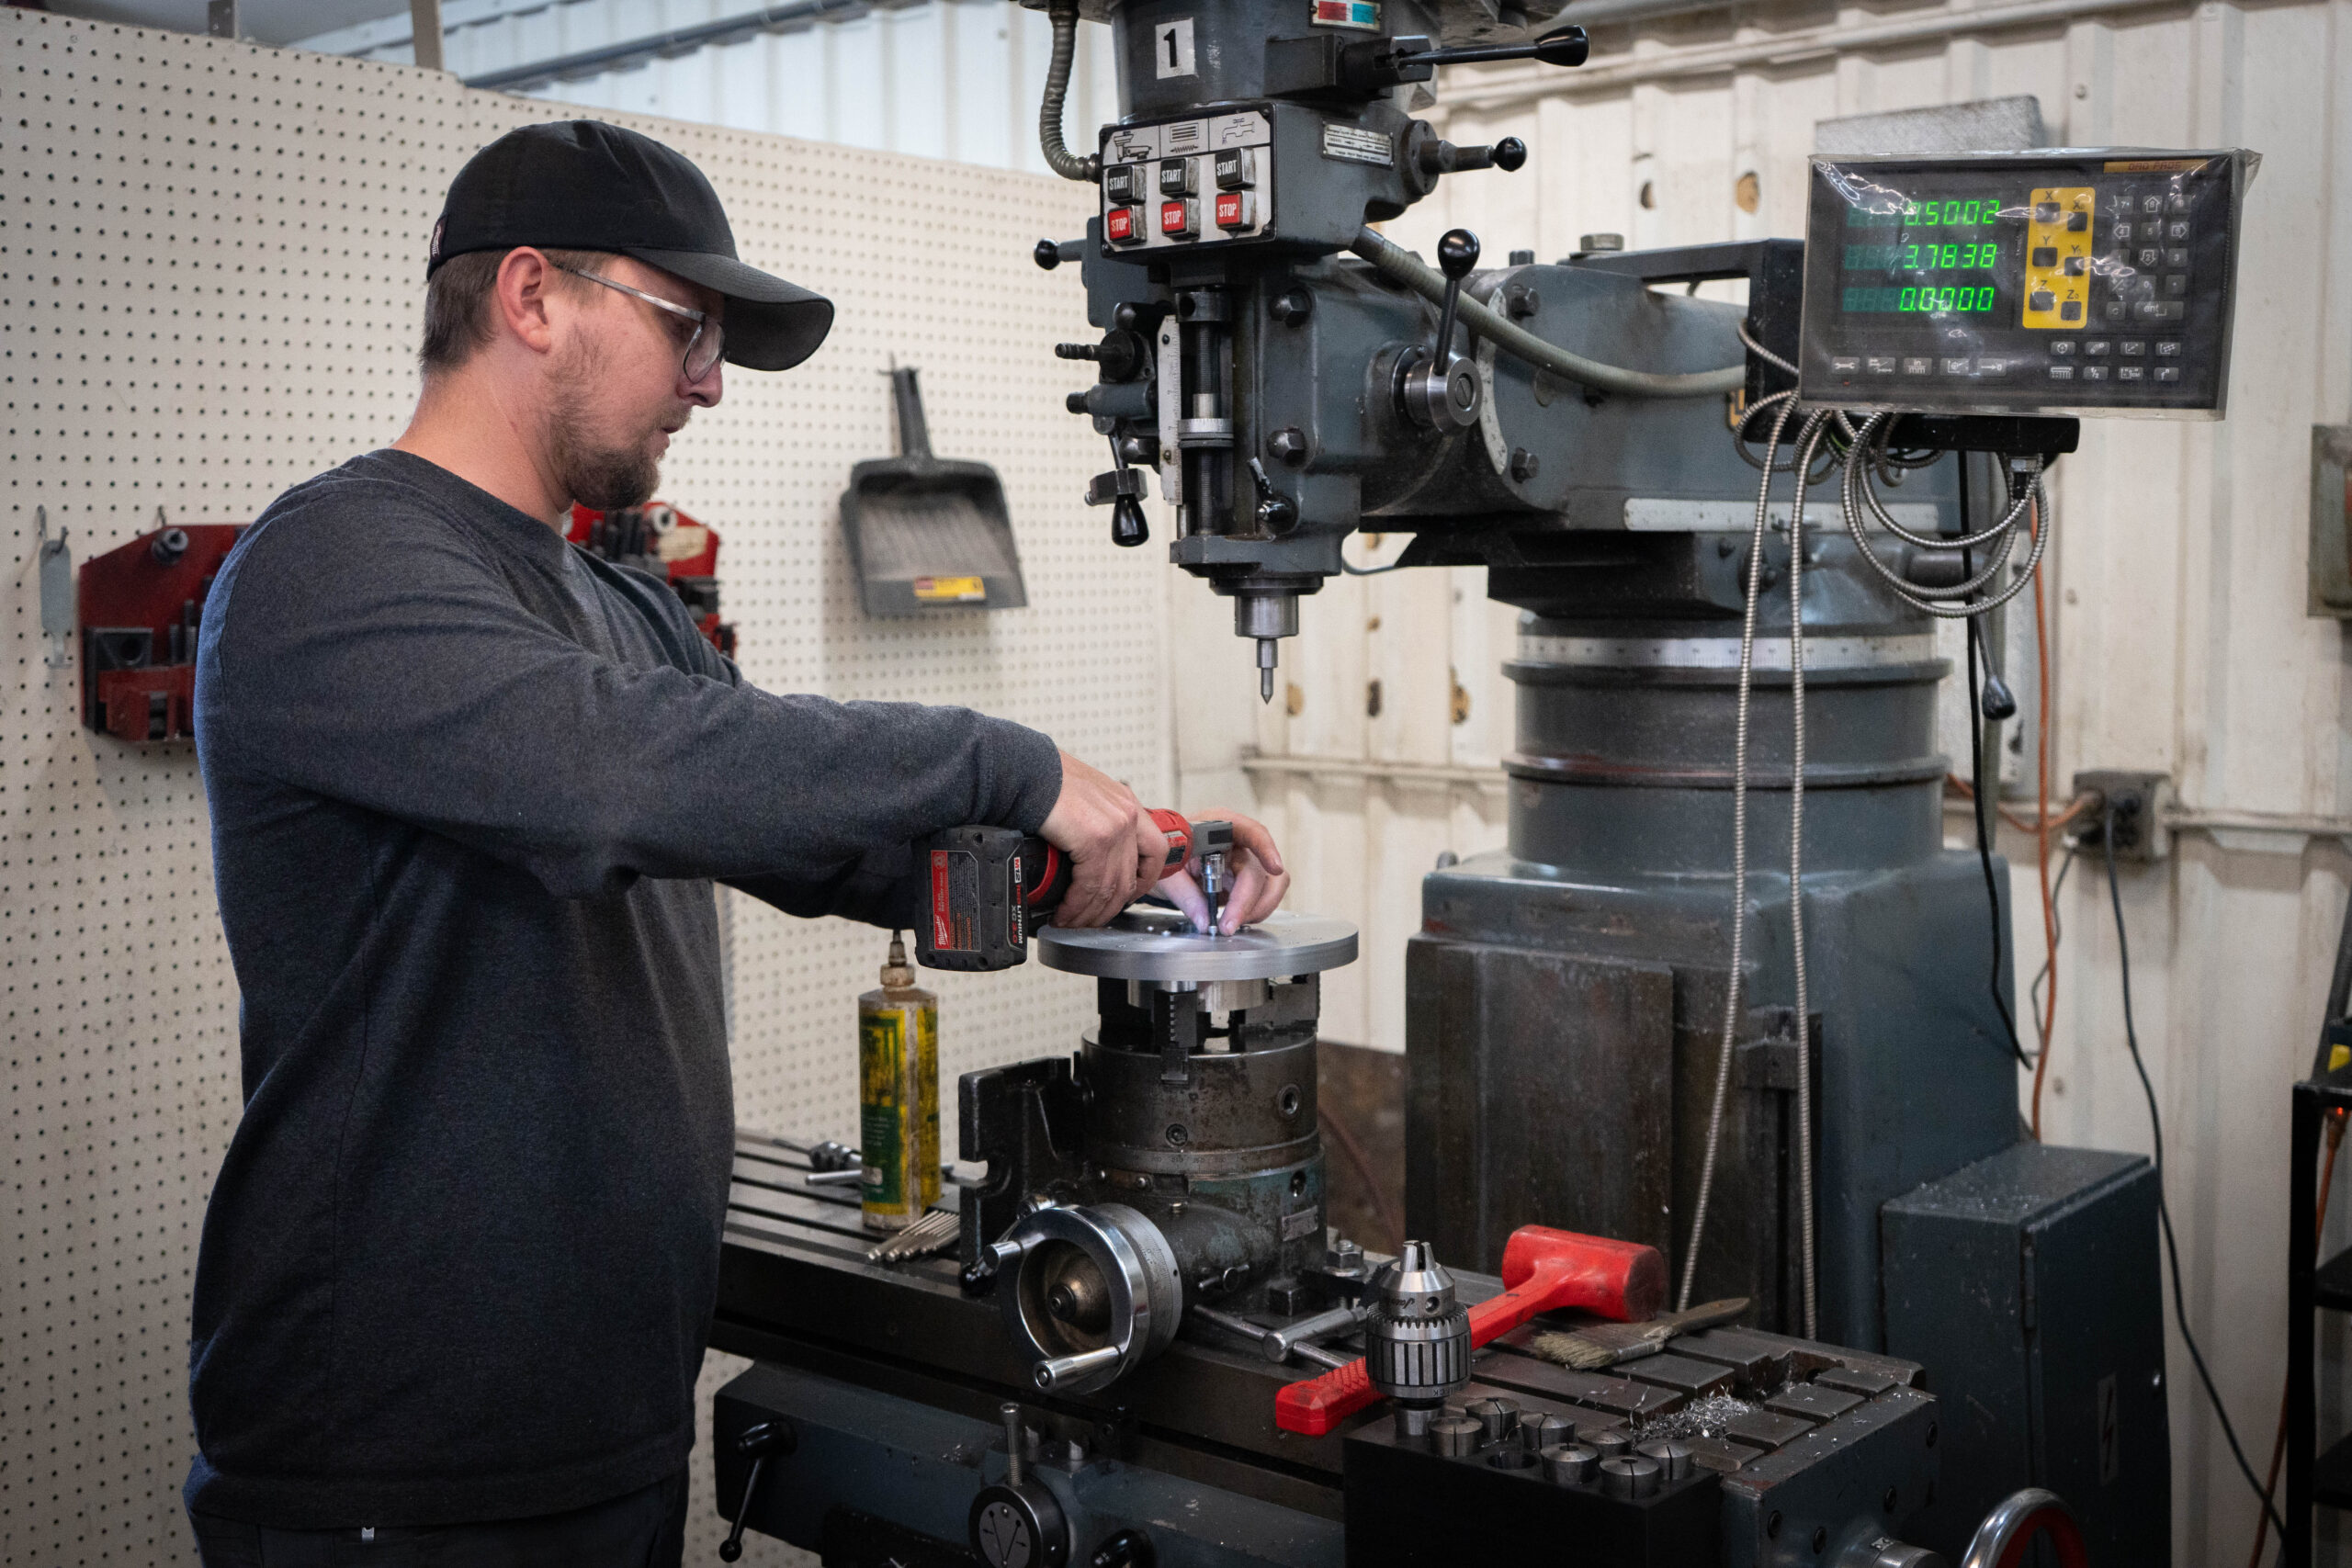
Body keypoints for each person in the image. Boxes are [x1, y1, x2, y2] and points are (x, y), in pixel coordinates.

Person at [182, 119, 1287, 1567]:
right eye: (686, 329)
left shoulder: (613, 600)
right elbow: (620, 773)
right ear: (531, 297)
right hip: (397, 1457)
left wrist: (1131, 853)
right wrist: (1006, 761)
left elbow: (807, 831)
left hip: (604, 1424)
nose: (706, 383)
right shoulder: (334, 565)